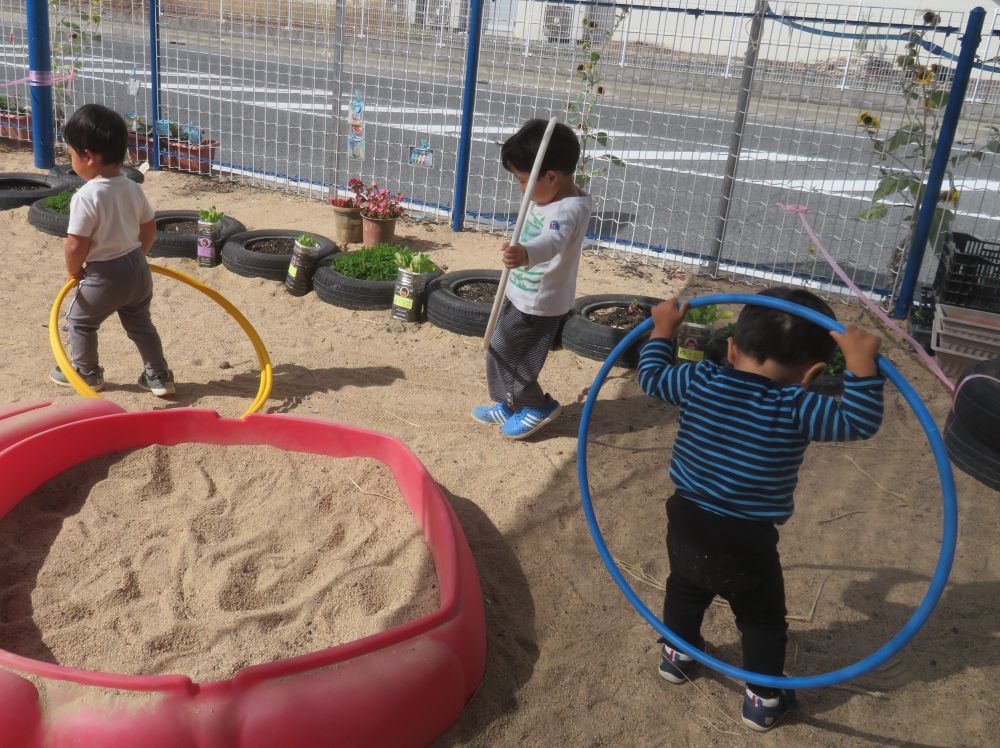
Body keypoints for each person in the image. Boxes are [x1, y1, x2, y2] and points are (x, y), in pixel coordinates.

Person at [637, 288, 884, 732]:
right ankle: (763, 700)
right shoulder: (799, 406)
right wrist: (861, 364)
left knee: (685, 586)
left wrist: (663, 331)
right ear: (811, 373)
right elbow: (859, 420)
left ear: (731, 348)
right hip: (747, 538)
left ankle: (677, 655)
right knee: (761, 619)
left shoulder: (700, 380)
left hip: (687, 519)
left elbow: (652, 376)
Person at [471, 119, 593, 439]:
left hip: (540, 303)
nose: (520, 188)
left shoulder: (567, 211)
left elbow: (551, 243)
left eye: (523, 180)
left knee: (513, 355)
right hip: (520, 292)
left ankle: (536, 405)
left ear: (551, 177)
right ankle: (507, 402)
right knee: (497, 347)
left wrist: (525, 253)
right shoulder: (548, 198)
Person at [49, 104, 175, 397]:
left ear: (89, 157)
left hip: (104, 275)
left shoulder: (86, 196)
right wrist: (140, 254)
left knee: (80, 321)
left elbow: (76, 243)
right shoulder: (132, 187)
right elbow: (148, 225)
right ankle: (158, 376)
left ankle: (86, 372)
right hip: (137, 270)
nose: (70, 160)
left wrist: (73, 270)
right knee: (141, 323)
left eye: (70, 154)